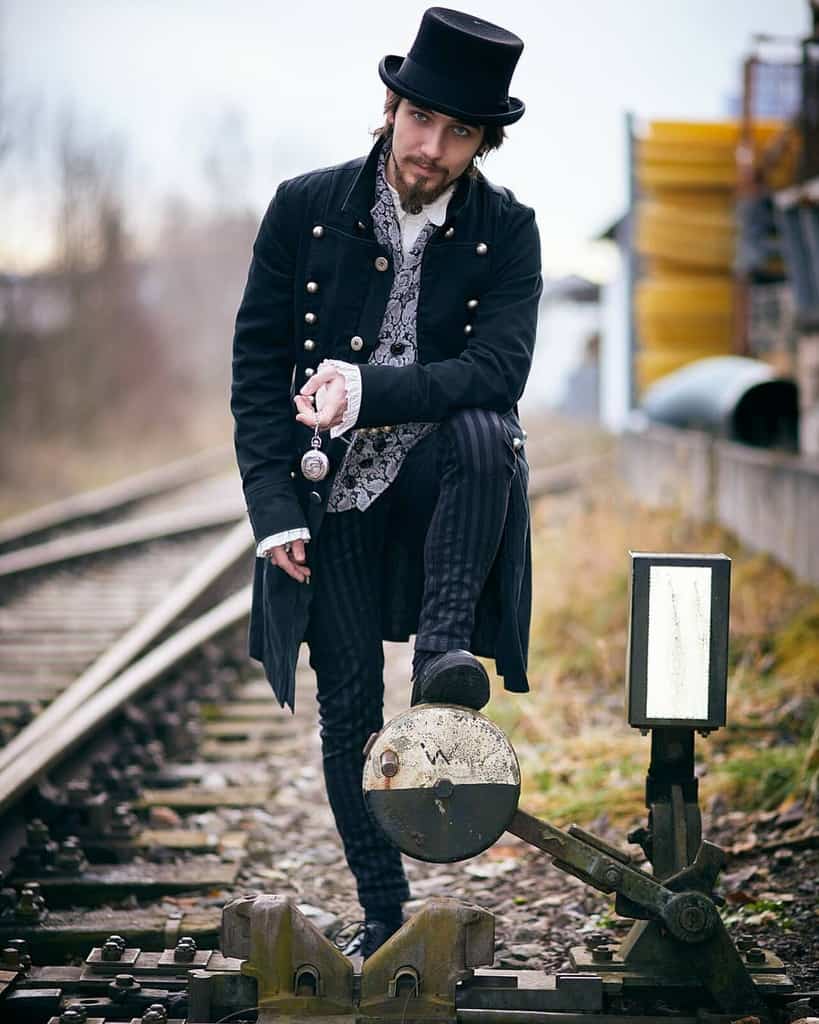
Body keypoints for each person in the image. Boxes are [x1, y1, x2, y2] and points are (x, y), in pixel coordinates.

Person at [231, 6, 541, 958]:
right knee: (349, 711)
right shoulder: (304, 206)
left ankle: (445, 651)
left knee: (490, 429)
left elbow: (498, 372)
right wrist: (273, 512)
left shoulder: (508, 230)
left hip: (437, 496)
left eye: (459, 133)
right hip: (332, 503)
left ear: (482, 140)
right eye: (422, 121)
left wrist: (369, 391)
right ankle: (382, 908)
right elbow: (255, 368)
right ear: (391, 106)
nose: (433, 148)